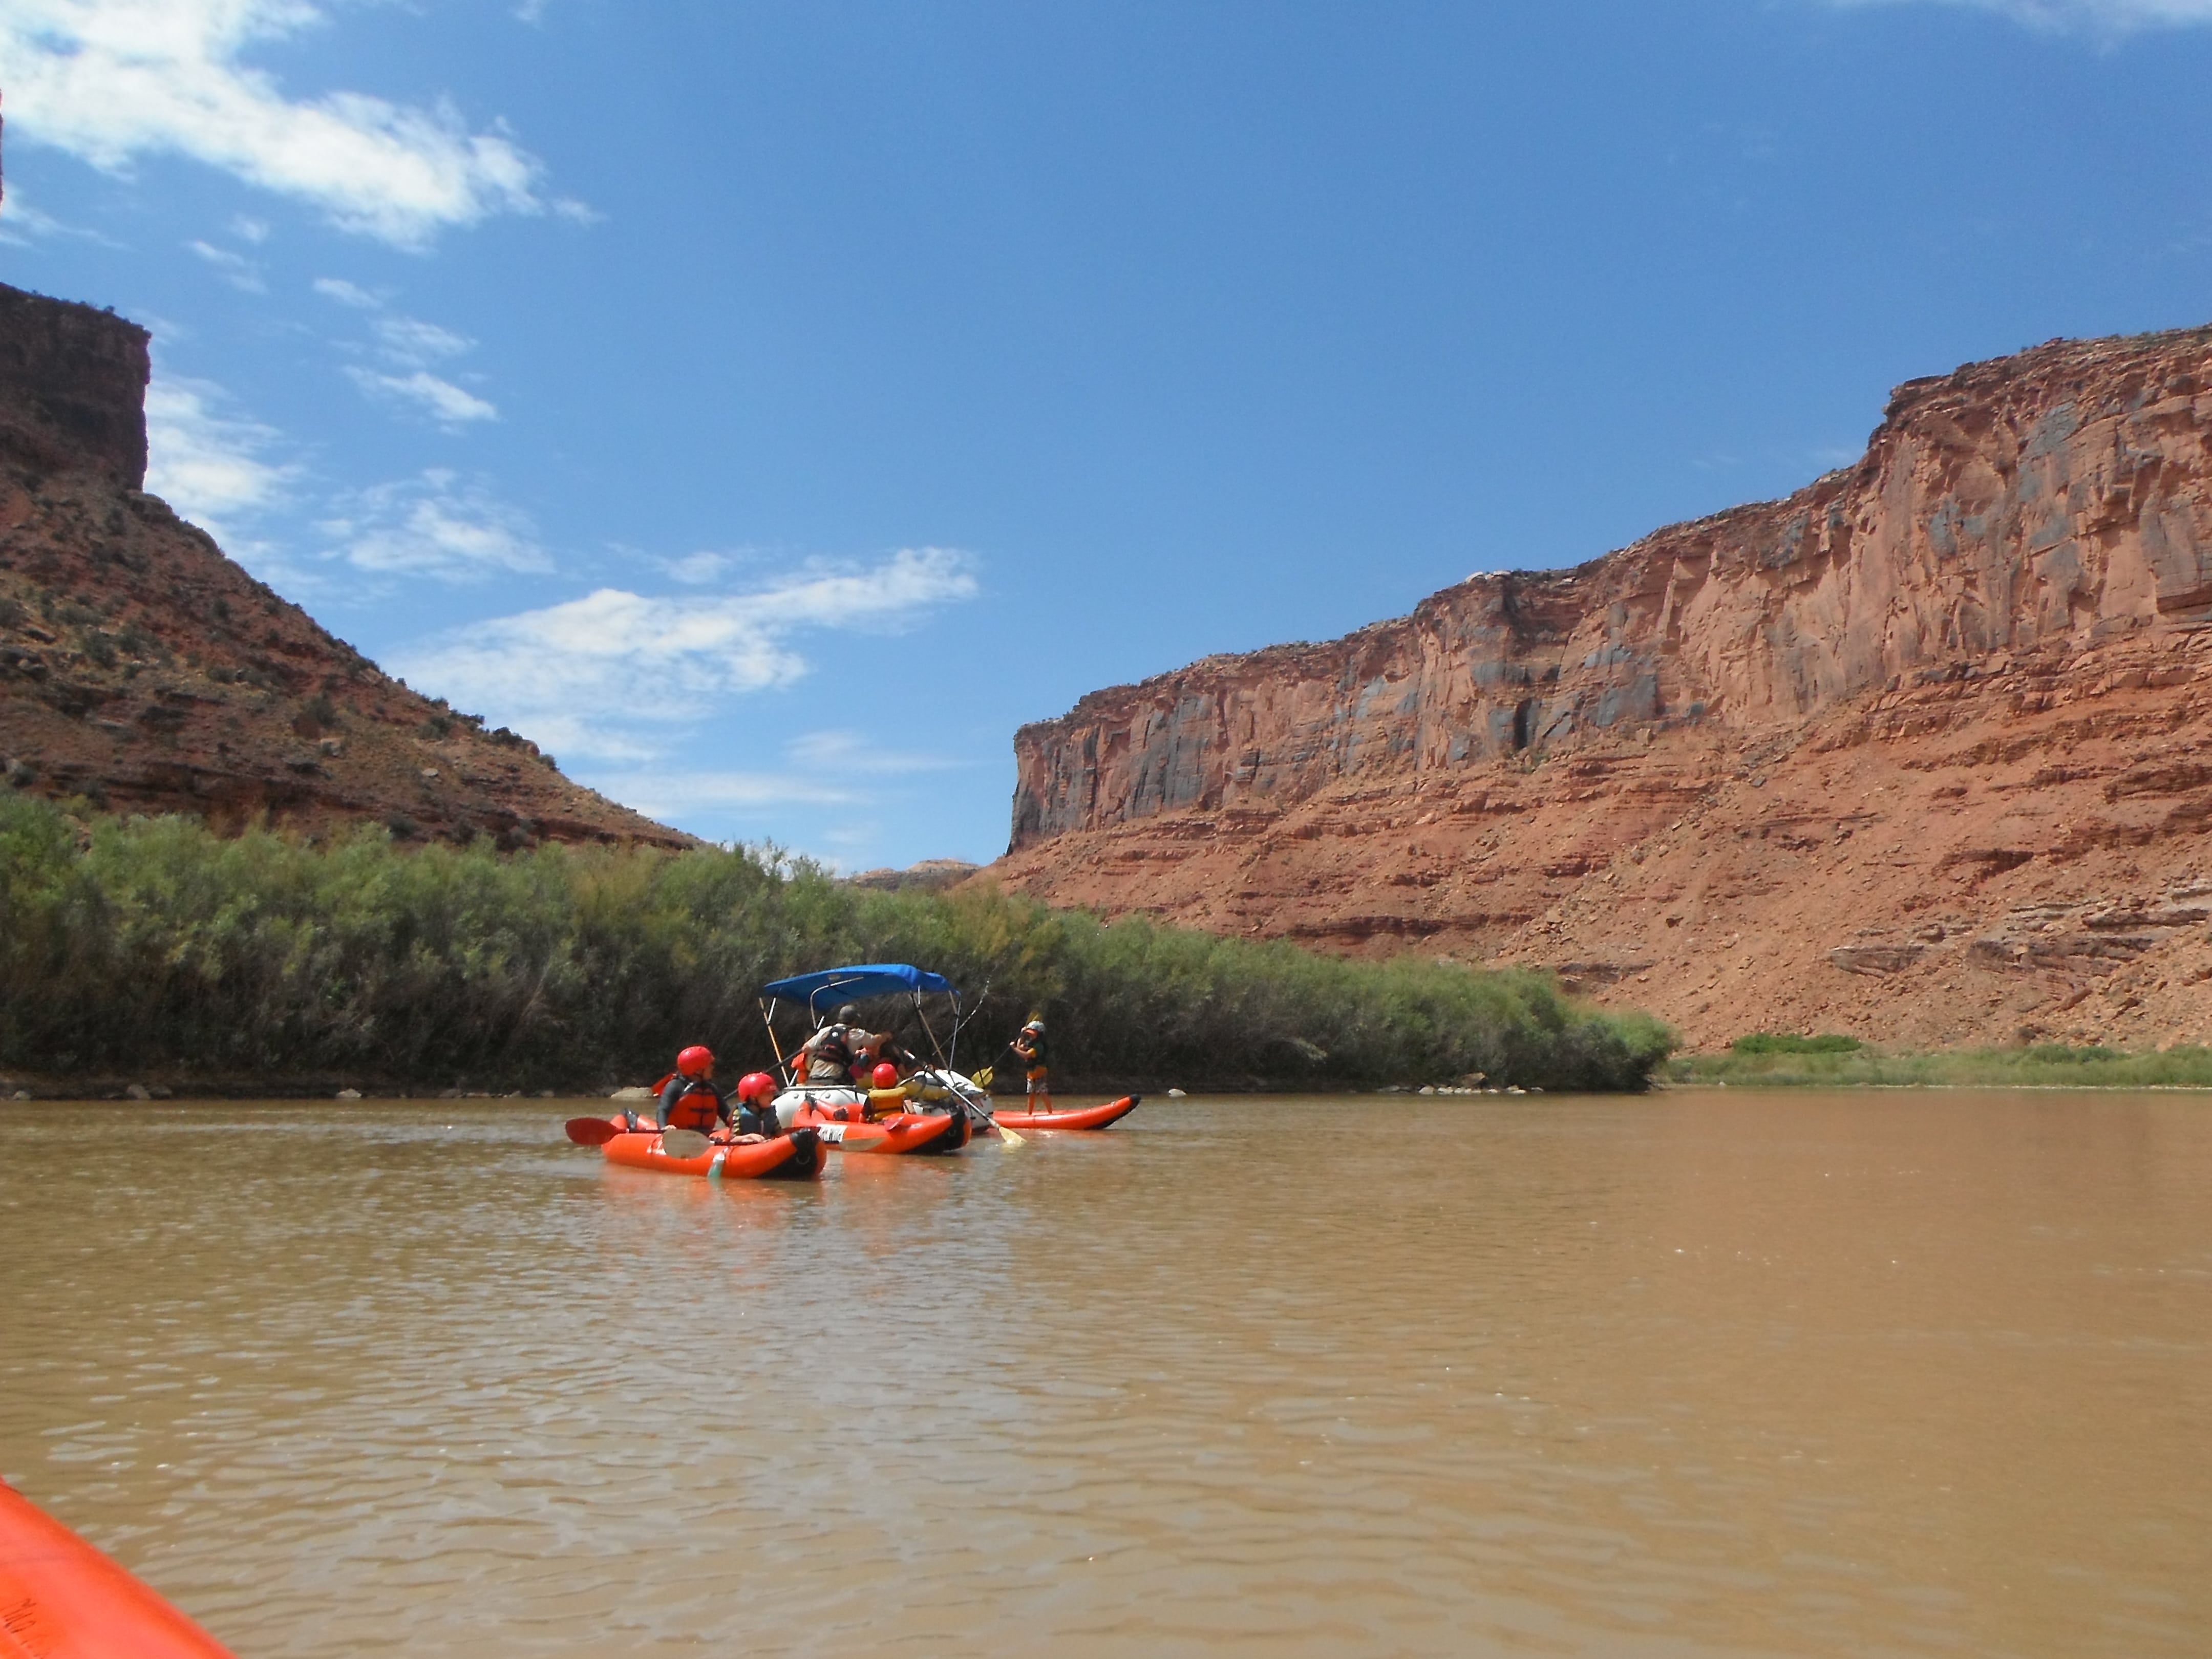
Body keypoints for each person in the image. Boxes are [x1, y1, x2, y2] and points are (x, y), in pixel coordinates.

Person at [657, 1045, 733, 1135]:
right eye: (709, 1065)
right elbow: (663, 1110)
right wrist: (664, 1127)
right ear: (698, 1070)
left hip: (704, 1139)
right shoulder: (675, 1086)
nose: (712, 1068)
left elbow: (727, 1117)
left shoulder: (712, 1089)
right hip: (678, 1138)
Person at [796, 1007, 861, 1083]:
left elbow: (805, 1049)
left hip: (814, 1077)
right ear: (853, 1021)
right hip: (835, 1076)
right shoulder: (855, 1034)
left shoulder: (825, 1032)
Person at [1010, 1015, 1052, 1114]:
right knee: (1031, 1094)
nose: (1030, 1035)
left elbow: (1026, 1055)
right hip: (1031, 1073)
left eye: (1032, 1033)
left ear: (1039, 1034)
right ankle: (1030, 1114)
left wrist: (1014, 1048)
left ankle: (1051, 1114)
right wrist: (1021, 1036)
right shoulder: (1031, 1043)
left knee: (1043, 1093)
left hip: (1040, 1072)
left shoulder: (1039, 1046)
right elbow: (1021, 1047)